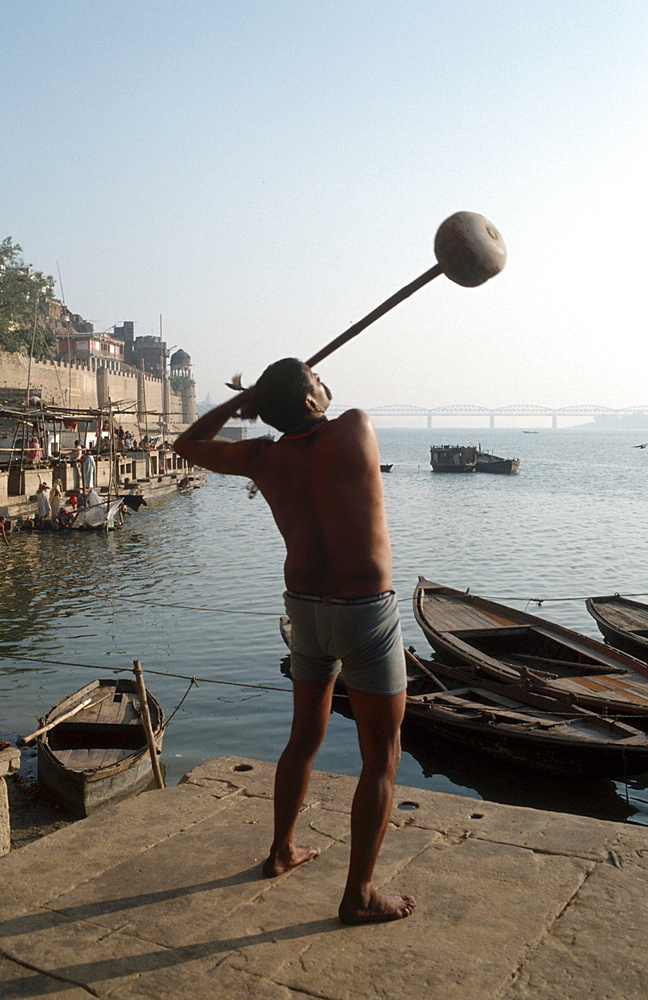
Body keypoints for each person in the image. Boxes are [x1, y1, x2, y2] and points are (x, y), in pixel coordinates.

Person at [174, 358, 414, 925]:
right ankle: (359, 894)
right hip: (365, 614)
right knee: (381, 756)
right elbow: (326, 410)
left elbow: (188, 444)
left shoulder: (263, 457)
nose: (325, 380)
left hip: (305, 610)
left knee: (303, 736)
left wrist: (244, 401)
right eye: (316, 377)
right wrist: (269, 393)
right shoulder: (354, 426)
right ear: (311, 401)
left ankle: (281, 850)